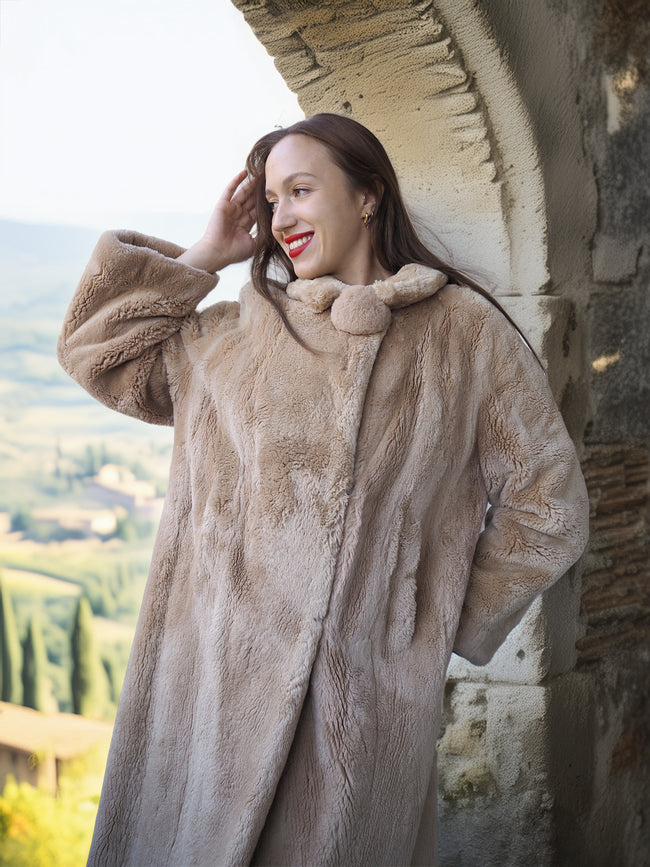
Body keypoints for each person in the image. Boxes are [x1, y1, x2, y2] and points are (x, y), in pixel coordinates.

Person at [58, 113, 589, 866]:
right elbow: (95, 351)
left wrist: (423, 625)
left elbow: (549, 506)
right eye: (271, 200)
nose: (281, 218)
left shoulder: (463, 333)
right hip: (202, 719)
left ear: (368, 195)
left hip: (355, 734)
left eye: (300, 191)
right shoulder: (230, 337)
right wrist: (208, 253)